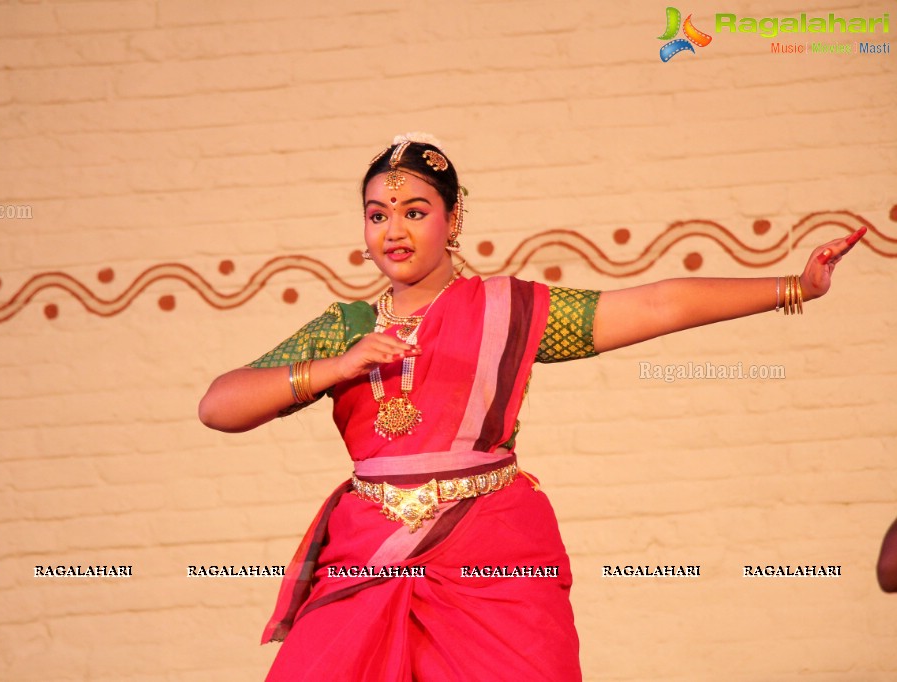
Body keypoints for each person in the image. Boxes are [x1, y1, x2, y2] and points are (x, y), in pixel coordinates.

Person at [198, 132, 867, 681]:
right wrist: (335, 367)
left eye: (414, 211)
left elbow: (658, 303)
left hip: (489, 555)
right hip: (367, 557)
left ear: (454, 217)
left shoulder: (510, 312)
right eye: (377, 214)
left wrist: (792, 287)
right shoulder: (343, 327)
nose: (393, 231)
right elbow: (219, 405)